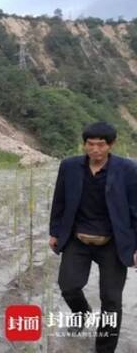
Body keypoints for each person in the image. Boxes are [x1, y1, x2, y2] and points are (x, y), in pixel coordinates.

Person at [49, 121, 137, 353]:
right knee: (68, 286)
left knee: (111, 300)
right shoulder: (69, 167)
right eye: (90, 144)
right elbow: (59, 201)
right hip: (78, 239)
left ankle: (104, 349)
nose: (95, 150)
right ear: (84, 144)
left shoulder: (127, 169)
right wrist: (55, 232)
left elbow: (135, 209)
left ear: (111, 145)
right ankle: (82, 313)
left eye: (101, 145)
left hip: (112, 243)